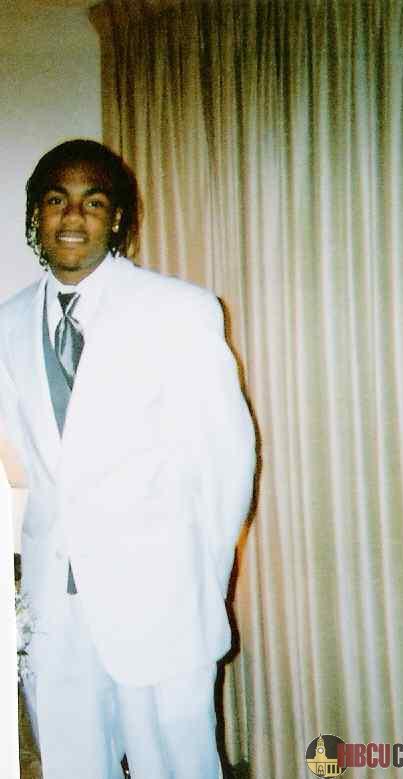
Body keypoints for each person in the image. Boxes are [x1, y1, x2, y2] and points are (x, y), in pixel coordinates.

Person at [0, 139, 256, 778]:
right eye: (55, 200)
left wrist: (198, 585)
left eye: (93, 203)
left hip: (161, 599)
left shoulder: (178, 310)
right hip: (56, 611)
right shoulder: (7, 323)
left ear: (116, 218)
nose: (72, 217)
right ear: (35, 215)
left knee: (175, 765)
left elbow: (226, 466)